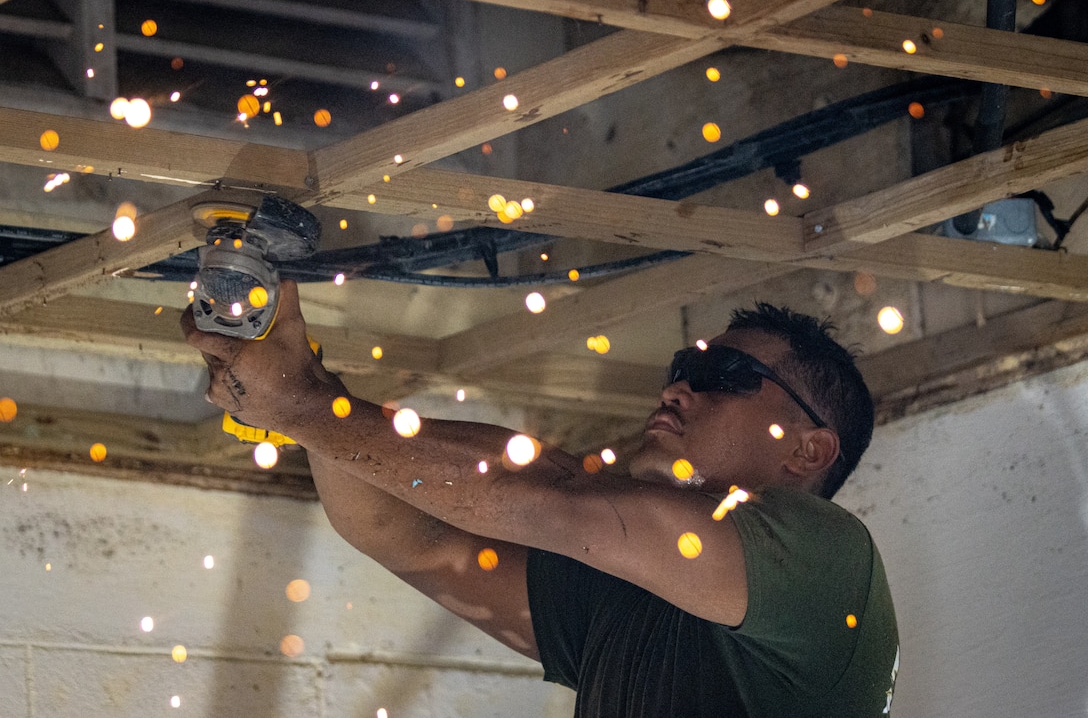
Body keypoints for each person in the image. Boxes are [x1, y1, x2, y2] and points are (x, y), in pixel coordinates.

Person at [182, 281, 899, 717]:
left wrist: (304, 406)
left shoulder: (828, 557)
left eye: (726, 373)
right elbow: (407, 534)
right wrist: (307, 389)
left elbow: (556, 498)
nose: (678, 388)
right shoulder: (635, 594)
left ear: (809, 448)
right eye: (685, 367)